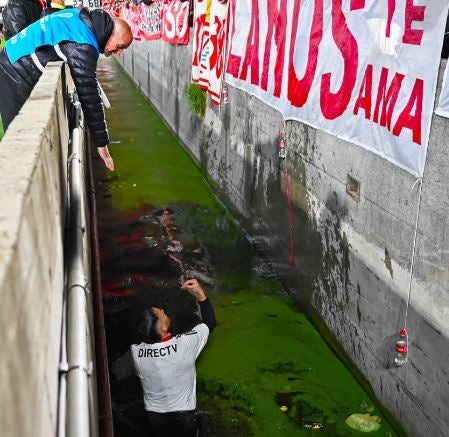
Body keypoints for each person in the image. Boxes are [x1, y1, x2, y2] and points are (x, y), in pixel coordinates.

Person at [0, 8, 133, 170]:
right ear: (111, 33)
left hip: (11, 56)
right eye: (120, 46)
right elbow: (89, 96)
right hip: (14, 70)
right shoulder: (84, 44)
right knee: (18, 141)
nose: (118, 52)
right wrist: (103, 147)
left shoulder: (79, 17)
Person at [130, 279, 216, 437]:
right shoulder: (185, 345)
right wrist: (200, 293)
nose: (163, 310)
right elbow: (210, 322)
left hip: (155, 420)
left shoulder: (136, 353)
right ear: (163, 328)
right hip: (185, 418)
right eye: (161, 313)